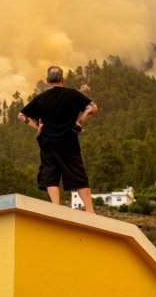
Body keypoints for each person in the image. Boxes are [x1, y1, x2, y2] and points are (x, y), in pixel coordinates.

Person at [18, 66, 98, 213]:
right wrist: (79, 122)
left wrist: (37, 128)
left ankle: (56, 209)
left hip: (48, 143)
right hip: (69, 141)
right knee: (78, 174)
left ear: (48, 81)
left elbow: (21, 116)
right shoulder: (73, 95)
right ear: (63, 79)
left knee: (51, 175)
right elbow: (92, 108)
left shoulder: (41, 99)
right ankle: (89, 210)